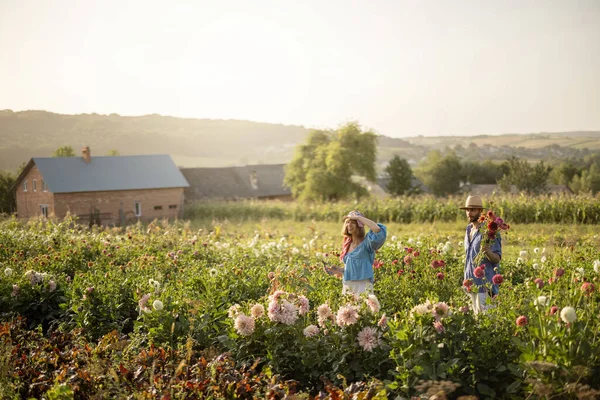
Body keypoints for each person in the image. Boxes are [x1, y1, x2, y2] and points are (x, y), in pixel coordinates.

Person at [329, 210, 387, 295]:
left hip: (363, 285)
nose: (349, 225)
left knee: (364, 307)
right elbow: (350, 269)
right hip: (348, 286)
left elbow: (378, 230)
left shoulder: (368, 243)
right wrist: (337, 270)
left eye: (353, 222)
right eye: (348, 222)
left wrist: (358, 217)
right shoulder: (347, 244)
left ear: (360, 225)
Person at [461, 195, 502, 314]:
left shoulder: (489, 231)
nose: (469, 213)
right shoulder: (468, 229)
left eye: (473, 210)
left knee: (485, 324)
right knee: (475, 324)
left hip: (485, 287)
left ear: (480, 211)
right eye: (467, 210)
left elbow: (497, 259)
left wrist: (488, 252)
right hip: (470, 286)